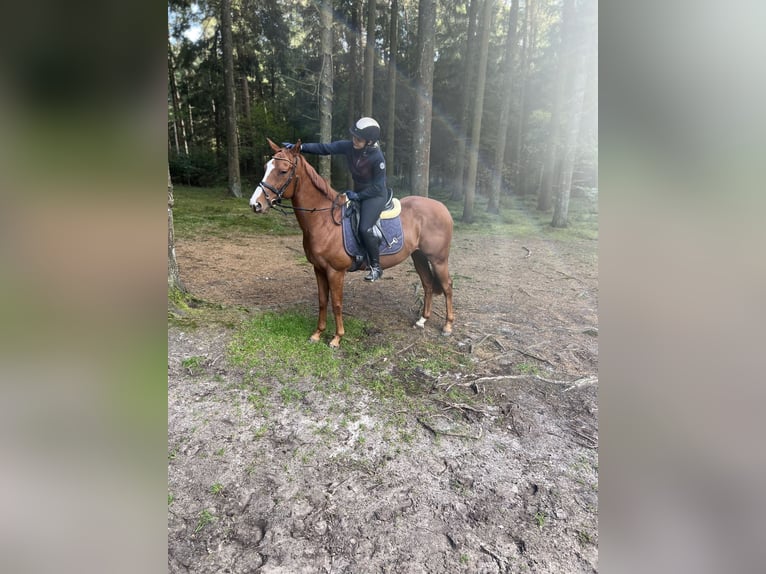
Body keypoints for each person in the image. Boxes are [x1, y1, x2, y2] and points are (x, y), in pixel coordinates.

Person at [283, 117, 388, 282]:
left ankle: (375, 266)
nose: (354, 140)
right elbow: (325, 148)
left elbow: (378, 187)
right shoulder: (350, 146)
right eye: (353, 136)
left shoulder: (378, 158)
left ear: (369, 141)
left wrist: (358, 196)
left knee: (364, 227)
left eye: (358, 139)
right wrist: (300, 147)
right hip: (358, 192)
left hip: (375, 196)